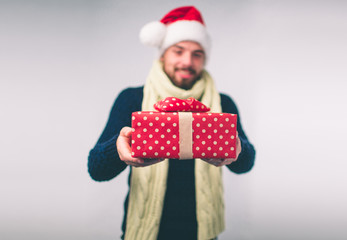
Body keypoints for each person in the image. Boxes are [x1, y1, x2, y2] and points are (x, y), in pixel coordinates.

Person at [88, 6, 255, 240]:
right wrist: (117, 148)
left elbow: (245, 164)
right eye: (178, 51)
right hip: (145, 232)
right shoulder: (132, 98)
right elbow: (96, 169)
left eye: (197, 54)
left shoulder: (223, 103)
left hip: (202, 233)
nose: (187, 61)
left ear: (204, 59)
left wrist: (237, 148)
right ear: (163, 54)